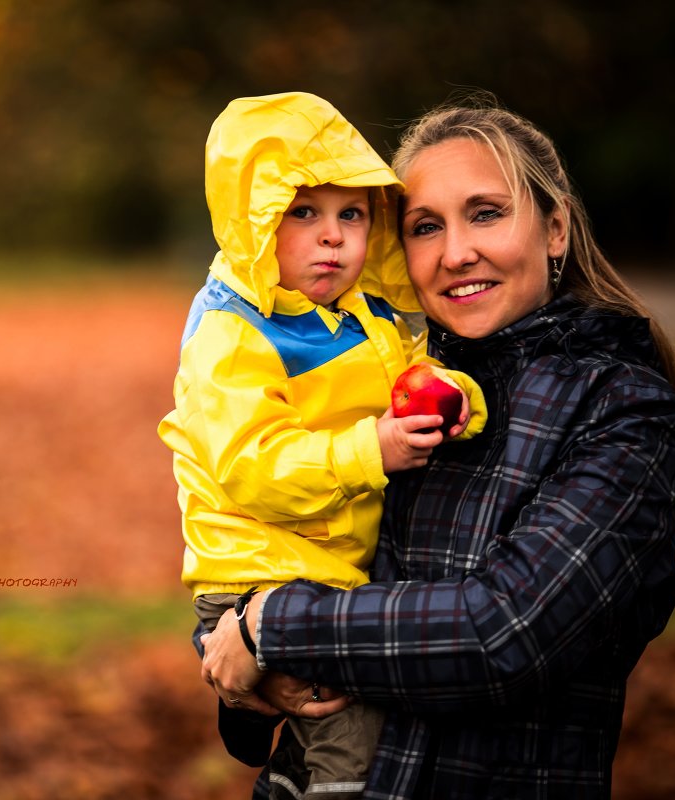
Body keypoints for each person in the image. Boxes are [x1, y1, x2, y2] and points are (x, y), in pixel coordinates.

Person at [200, 98, 675, 799]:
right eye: (425, 227)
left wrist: (270, 627)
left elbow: (504, 633)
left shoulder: (624, 407)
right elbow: (291, 545)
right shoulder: (386, 383)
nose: (456, 251)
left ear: (555, 229)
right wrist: (247, 673)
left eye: (486, 213)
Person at [158, 91, 488, 798]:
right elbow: (253, 467)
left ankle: (265, 738)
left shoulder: (361, 316)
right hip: (260, 569)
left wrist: (456, 396)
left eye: (352, 215)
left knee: (332, 732)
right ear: (254, 223)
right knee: (353, 740)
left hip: (330, 564)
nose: (333, 236)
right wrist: (371, 450)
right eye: (302, 213)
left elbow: (409, 374)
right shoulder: (233, 335)